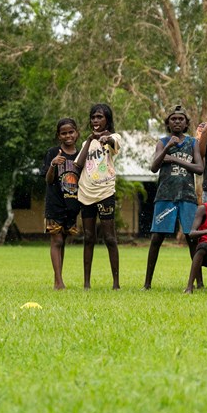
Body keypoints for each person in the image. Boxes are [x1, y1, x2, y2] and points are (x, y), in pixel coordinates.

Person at [144, 105, 204, 290]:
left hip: (187, 195)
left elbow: (199, 168)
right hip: (165, 195)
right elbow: (154, 167)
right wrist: (168, 148)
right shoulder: (162, 142)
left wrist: (176, 159)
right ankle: (147, 283)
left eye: (180, 119)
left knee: (191, 238)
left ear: (186, 123)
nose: (177, 122)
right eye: (173, 119)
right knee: (157, 238)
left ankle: (199, 282)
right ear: (168, 123)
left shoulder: (192, 142)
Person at [75, 103, 121, 290]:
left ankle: (116, 283)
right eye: (93, 117)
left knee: (109, 238)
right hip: (85, 193)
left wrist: (105, 138)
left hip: (105, 193)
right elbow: (78, 164)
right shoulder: (88, 142)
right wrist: (88, 140)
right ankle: (86, 283)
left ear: (107, 120)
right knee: (88, 237)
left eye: (100, 117)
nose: (95, 120)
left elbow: (112, 143)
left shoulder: (114, 137)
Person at [43, 117, 81, 290]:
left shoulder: (81, 154)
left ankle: (59, 278)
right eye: (63, 133)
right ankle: (58, 281)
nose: (68, 136)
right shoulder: (53, 152)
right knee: (56, 241)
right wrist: (53, 165)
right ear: (59, 136)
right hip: (55, 203)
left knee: (63, 240)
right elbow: (48, 180)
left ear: (77, 133)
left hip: (73, 204)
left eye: (71, 132)